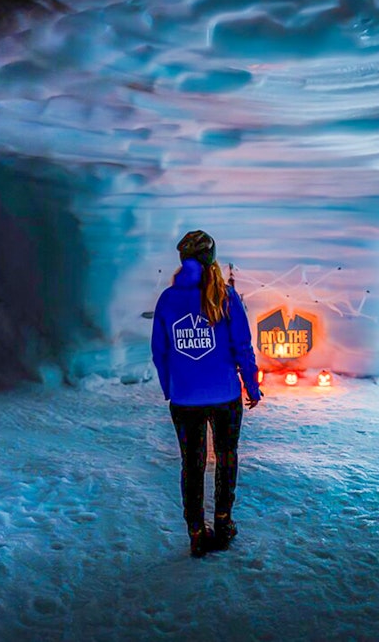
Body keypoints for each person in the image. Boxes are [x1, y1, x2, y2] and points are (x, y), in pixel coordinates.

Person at [151, 230, 262, 558]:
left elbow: (160, 351)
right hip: (225, 395)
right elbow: (243, 347)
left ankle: (197, 532)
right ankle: (224, 522)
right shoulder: (227, 296)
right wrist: (252, 386)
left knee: (192, 463)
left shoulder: (168, 299)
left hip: (185, 399)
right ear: (211, 258)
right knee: (226, 457)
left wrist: (170, 387)